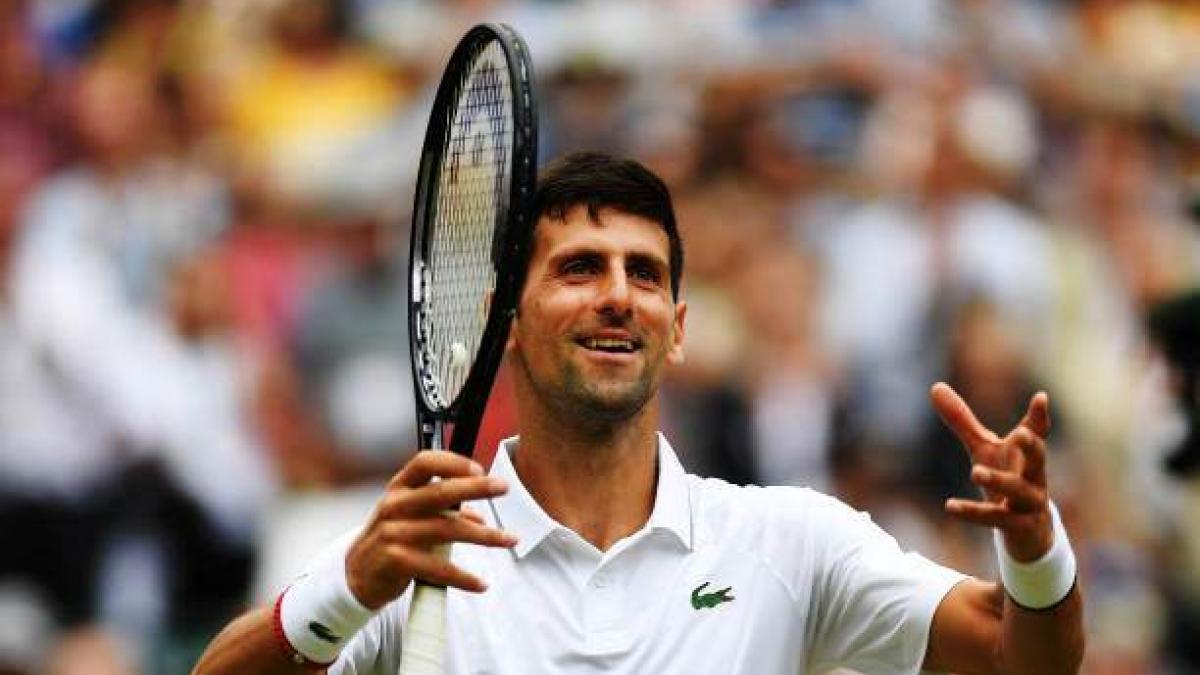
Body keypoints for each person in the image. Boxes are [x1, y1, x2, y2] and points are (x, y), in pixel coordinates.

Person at [192, 152, 1084, 675]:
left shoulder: (788, 541)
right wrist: (348, 586)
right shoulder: (413, 554)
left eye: (645, 274)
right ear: (504, 323)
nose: (618, 295)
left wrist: (1034, 547)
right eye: (580, 267)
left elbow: (1022, 657)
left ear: (678, 329)